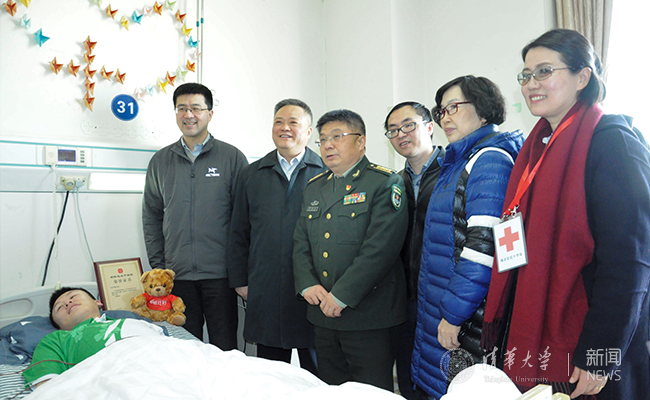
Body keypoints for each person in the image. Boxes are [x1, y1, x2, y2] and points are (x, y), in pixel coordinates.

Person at [483, 29, 650, 399]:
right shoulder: (537, 147)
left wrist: (599, 353)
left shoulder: (612, 142)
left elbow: (630, 261)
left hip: (589, 339)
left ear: (582, 77)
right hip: (538, 329)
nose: (531, 84)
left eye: (544, 71)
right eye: (525, 75)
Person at [410, 76, 523, 399]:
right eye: (441, 111)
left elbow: (483, 247)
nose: (445, 117)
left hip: (467, 317)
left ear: (484, 110)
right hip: (445, 304)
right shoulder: (458, 161)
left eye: (454, 107)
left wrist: (453, 314)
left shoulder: (490, 160)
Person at [293, 109, 408, 392]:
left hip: (368, 315)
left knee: (371, 392)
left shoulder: (383, 182)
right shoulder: (314, 187)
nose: (328, 145)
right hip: (323, 313)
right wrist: (307, 283)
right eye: (322, 139)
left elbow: (380, 250)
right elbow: (301, 242)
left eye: (337, 136)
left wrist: (342, 295)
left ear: (361, 141)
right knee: (332, 389)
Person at [142, 83, 248, 349]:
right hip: (177, 276)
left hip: (221, 275)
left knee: (225, 347)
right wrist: (160, 268)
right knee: (184, 348)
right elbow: (151, 217)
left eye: (196, 108)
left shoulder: (232, 158)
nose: (188, 115)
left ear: (210, 113)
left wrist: (240, 271)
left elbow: (244, 219)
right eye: (182, 108)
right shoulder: (160, 161)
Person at [227, 99, 325, 374]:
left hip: (314, 287)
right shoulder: (252, 174)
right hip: (266, 284)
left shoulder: (325, 172)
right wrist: (240, 281)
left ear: (308, 131)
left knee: (317, 371)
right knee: (270, 374)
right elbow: (238, 231)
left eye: (293, 122)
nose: (285, 128)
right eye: (279, 122)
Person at [384, 102, 445, 399]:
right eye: (393, 130)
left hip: (442, 298)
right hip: (404, 297)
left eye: (408, 125)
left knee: (445, 375)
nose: (401, 134)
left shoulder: (453, 173)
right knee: (408, 372)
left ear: (430, 126)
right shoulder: (394, 182)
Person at [22, 287, 166, 387]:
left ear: (97, 302)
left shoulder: (135, 322)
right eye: (59, 307)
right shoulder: (55, 340)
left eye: (73, 297)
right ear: (58, 325)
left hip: (165, 368)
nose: (67, 303)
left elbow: (170, 349)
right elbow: (47, 389)